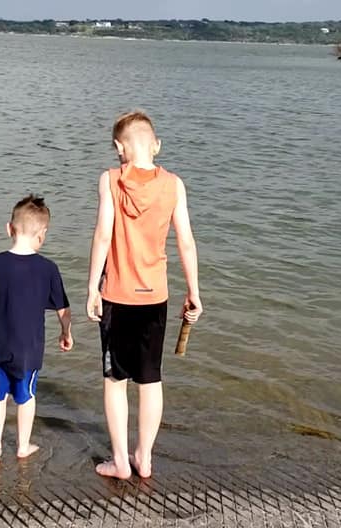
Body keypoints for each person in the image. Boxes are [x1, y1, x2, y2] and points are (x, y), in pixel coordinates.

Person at [86, 111, 202, 479]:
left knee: (115, 380)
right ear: (156, 145)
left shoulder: (110, 180)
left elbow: (102, 235)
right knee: (151, 379)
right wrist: (194, 291)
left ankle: (120, 461)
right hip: (155, 298)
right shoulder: (174, 185)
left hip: (117, 296)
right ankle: (144, 457)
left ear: (119, 147)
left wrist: (91, 287)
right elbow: (186, 241)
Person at [0, 194, 73, 464]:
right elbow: (63, 308)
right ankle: (23, 446)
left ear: (9, 229)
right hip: (29, 351)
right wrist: (66, 332)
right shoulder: (48, 269)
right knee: (25, 396)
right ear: (42, 235)